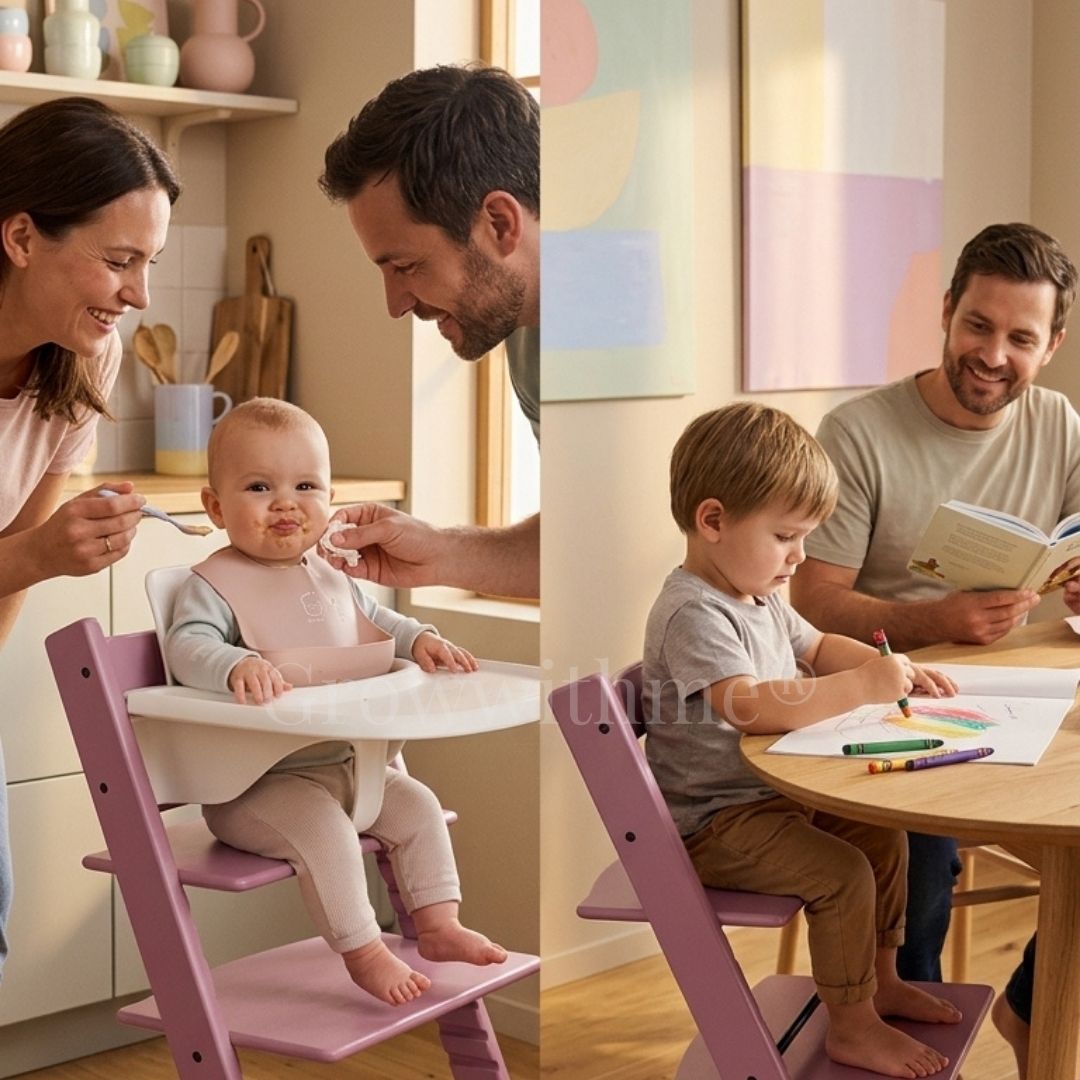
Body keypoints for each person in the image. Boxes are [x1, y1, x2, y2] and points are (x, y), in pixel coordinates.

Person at [787, 222, 1079, 1058]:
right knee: (917, 846)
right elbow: (810, 603)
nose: (993, 354)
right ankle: (904, 1026)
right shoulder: (858, 433)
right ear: (947, 312)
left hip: (1029, 691)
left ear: (1050, 345)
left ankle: (1032, 1004)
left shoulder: (1059, 424)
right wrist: (936, 622)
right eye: (977, 326)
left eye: (1020, 338)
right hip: (892, 698)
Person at [643, 402, 962, 1077]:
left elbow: (816, 645)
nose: (801, 555)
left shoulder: (757, 593)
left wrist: (895, 670)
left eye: (806, 535)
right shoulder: (693, 612)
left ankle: (880, 982)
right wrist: (860, 690)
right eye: (787, 535)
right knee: (841, 873)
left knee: (880, 833)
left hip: (770, 797)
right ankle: (850, 1025)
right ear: (713, 521)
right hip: (715, 822)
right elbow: (749, 706)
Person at [163, 398, 507, 1005]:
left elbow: (373, 623)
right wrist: (236, 663)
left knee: (420, 808)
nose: (286, 503)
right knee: (327, 834)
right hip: (255, 785)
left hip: (349, 767)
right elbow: (187, 647)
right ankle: (365, 950)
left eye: (305, 485)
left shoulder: (330, 574)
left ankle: (438, 923)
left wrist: (420, 637)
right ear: (215, 506)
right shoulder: (211, 584)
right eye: (259, 486)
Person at [0, 97, 179, 982]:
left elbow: (16, 563)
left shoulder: (85, 357)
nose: (138, 294)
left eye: (148, 263)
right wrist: (36, 555)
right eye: (118, 261)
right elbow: (25, 554)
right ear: (22, 236)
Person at [318, 64, 540, 599]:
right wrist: (438, 552)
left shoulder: (640, 330)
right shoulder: (527, 340)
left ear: (499, 224)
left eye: (407, 266)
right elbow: (587, 535)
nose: (396, 305)